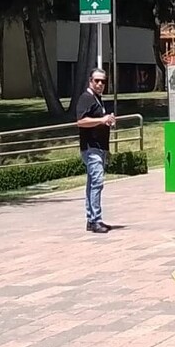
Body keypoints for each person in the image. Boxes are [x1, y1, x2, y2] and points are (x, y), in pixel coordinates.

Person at [76, 68, 116, 233]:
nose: (100, 84)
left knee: (92, 183)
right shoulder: (86, 98)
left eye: (103, 81)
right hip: (91, 148)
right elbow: (81, 121)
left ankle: (91, 219)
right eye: (97, 81)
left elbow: (97, 120)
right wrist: (102, 119)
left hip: (99, 147)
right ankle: (95, 220)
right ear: (90, 81)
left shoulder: (97, 99)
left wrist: (107, 121)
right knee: (97, 182)